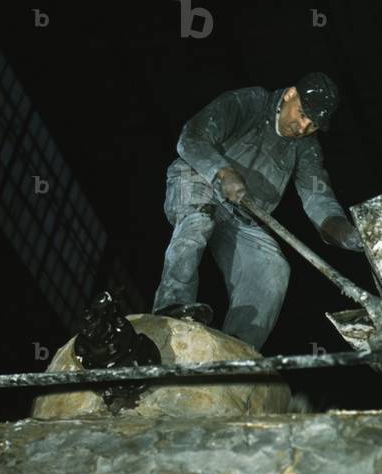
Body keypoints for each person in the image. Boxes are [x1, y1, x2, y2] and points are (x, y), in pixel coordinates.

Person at [152, 72, 363, 350]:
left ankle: (236, 350)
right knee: (197, 220)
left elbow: (317, 197)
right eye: (301, 115)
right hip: (196, 180)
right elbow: (190, 138)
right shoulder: (250, 102)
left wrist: (345, 232)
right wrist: (222, 172)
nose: (302, 127)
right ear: (289, 94)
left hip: (241, 215)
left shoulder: (306, 148)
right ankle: (171, 307)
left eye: (312, 125)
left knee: (272, 268)